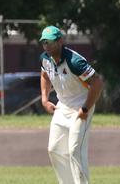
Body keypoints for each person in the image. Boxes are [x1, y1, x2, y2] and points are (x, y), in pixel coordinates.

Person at [39, 25, 104, 184]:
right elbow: (45, 75)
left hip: (81, 107)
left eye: (51, 42)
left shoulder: (74, 61)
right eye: (44, 42)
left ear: (60, 41)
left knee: (75, 150)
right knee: (54, 149)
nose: (47, 46)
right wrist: (45, 99)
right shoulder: (45, 58)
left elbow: (97, 83)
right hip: (62, 106)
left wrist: (85, 108)